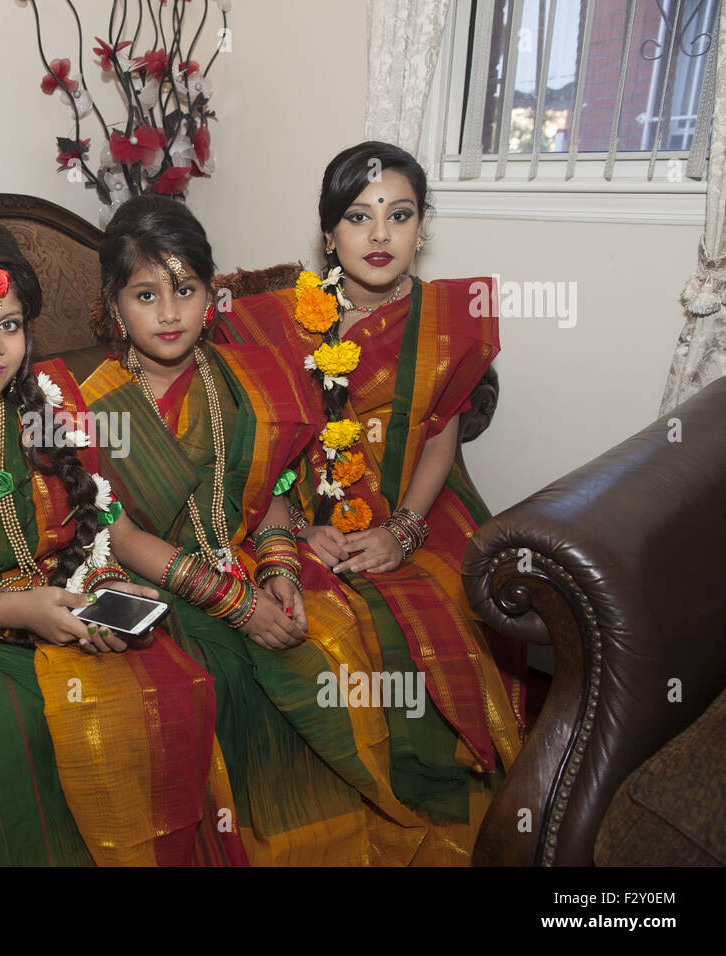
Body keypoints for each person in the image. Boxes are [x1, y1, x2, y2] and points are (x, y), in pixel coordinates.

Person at [81, 194, 444, 866]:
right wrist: (236, 603)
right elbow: (117, 531)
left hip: (244, 554)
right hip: (140, 574)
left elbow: (272, 489)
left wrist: (277, 570)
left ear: (211, 295)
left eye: (185, 290)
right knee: (199, 679)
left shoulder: (249, 379)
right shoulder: (90, 401)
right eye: (145, 293)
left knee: (333, 633)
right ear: (112, 304)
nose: (168, 313)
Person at [214, 141, 528, 862]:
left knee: (433, 609)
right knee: (294, 618)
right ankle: (324, 795)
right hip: (289, 506)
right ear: (329, 234)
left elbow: (441, 436)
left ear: (423, 228)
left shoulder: (448, 318)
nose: (380, 235)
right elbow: (258, 441)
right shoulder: (276, 321)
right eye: (359, 216)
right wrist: (292, 530)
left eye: (400, 215)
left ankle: (418, 782)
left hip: (417, 501)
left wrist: (403, 533)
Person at [0, 215, 247, 866]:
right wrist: (9, 611)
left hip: (58, 614)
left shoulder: (50, 404)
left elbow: (90, 531)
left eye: (8, 324)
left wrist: (102, 585)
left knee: (171, 690)